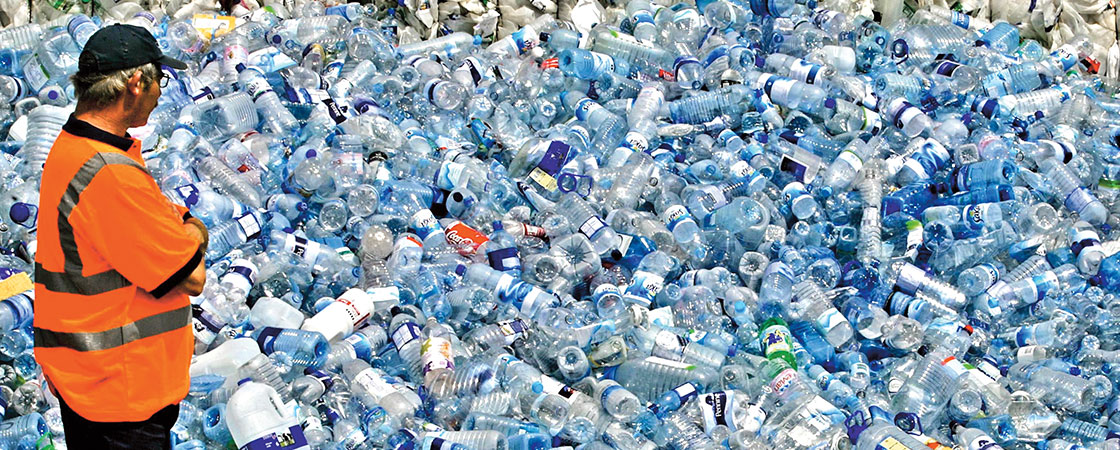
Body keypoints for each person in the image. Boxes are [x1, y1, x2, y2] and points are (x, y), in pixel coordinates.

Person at [32, 24, 208, 448]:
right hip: (121, 393)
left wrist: (174, 222)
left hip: (89, 379)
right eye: (159, 81)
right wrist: (194, 227)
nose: (161, 93)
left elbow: (154, 219)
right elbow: (192, 276)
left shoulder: (74, 146)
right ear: (135, 83)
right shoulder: (109, 174)